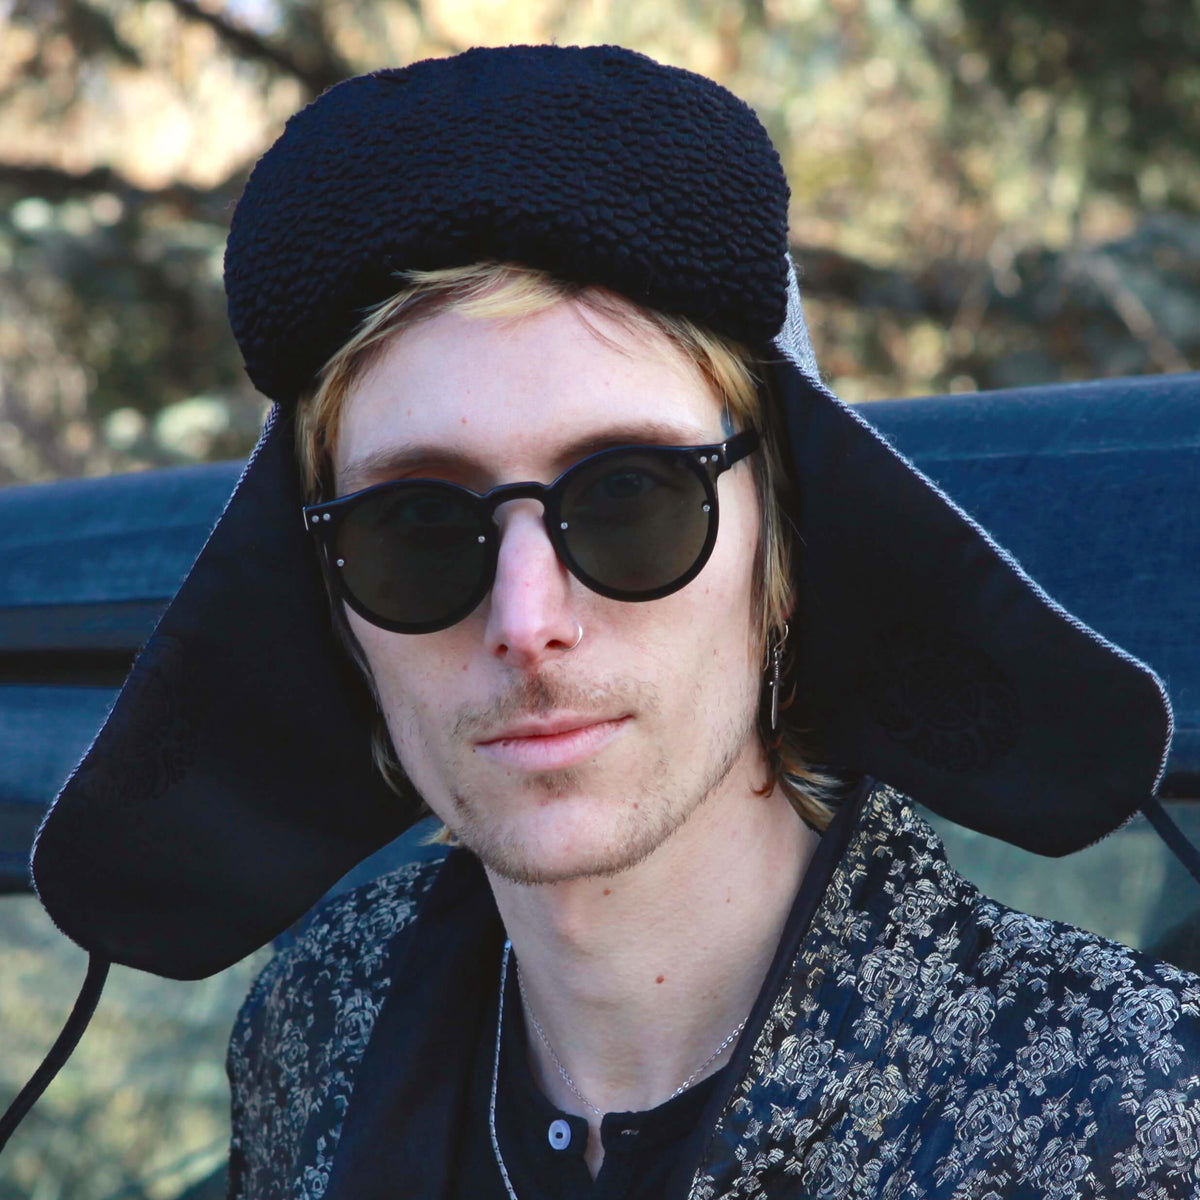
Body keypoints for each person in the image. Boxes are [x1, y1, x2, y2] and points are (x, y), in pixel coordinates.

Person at [10, 43, 1200, 1199]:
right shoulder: (325, 1021)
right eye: (418, 530)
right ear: (332, 600)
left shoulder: (1126, 1121)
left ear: (780, 547)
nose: (527, 621)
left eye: (630, 498)